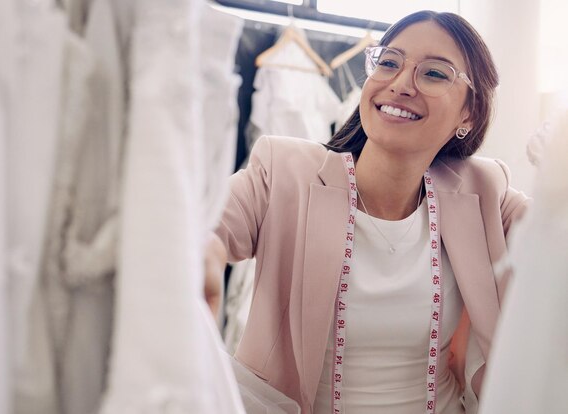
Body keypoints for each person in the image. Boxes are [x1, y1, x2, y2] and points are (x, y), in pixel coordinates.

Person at [205, 10, 530, 414]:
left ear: (470, 112)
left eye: (433, 74)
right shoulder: (283, 170)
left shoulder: (485, 189)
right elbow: (204, 224)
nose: (400, 84)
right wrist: (204, 255)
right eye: (390, 62)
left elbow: (554, 242)